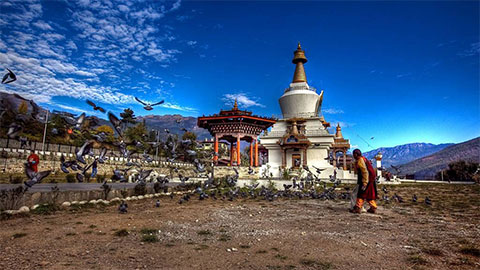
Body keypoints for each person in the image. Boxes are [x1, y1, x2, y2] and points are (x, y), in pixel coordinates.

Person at [350, 149, 378, 214]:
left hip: (366, 179)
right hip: (370, 179)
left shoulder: (360, 161)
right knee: (369, 193)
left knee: (361, 193)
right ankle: (373, 207)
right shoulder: (362, 159)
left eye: (354, 154)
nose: (353, 156)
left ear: (356, 154)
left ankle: (358, 207)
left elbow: (365, 172)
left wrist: (365, 182)